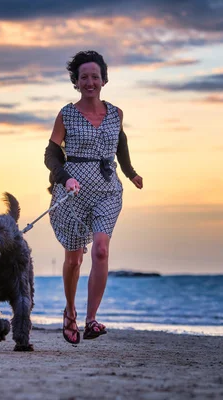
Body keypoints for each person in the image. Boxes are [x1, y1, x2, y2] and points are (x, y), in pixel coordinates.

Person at [44, 50, 143, 344]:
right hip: (73, 192)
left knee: (100, 250)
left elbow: (120, 143)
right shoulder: (67, 114)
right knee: (74, 260)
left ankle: (91, 320)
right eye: (84, 77)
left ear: (103, 80)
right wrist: (65, 177)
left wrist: (130, 172)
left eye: (95, 77)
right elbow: (50, 153)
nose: (90, 82)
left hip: (107, 189)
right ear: (76, 81)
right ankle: (70, 311)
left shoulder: (116, 113)